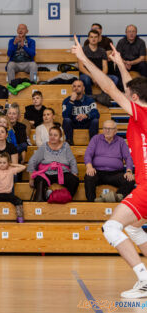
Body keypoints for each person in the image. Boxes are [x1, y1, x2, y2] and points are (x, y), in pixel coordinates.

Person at [72, 33, 147, 299]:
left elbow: (110, 90)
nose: (128, 97)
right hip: (144, 186)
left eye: (131, 96)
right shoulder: (142, 112)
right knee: (135, 227)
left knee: (112, 228)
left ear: (135, 98)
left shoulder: (141, 113)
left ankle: (144, 278)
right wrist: (119, 64)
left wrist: (85, 61)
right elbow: (131, 89)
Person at [84, 120, 135, 202]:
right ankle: (92, 202)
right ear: (103, 129)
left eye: (110, 128)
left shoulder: (121, 141)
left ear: (115, 131)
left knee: (130, 180)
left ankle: (116, 198)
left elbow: (128, 157)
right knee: (89, 177)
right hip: (98, 172)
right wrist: (89, 167)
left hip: (115, 173)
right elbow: (88, 155)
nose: (107, 130)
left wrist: (129, 171)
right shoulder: (96, 139)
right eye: (105, 128)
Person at [27, 127, 79, 201]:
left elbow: (72, 161)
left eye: (55, 135)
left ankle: (65, 198)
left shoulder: (66, 146)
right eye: (51, 135)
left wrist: (74, 173)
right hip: (46, 173)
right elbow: (33, 160)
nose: (52, 137)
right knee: (39, 180)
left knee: (74, 180)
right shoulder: (44, 146)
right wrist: (30, 177)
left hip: (62, 173)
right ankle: (41, 202)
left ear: (60, 137)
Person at [79, 30, 118, 95]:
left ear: (99, 38)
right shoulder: (82, 50)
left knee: (115, 78)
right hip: (87, 75)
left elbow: (105, 68)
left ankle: (103, 97)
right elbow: (81, 67)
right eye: (91, 37)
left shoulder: (102, 51)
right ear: (88, 38)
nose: (93, 39)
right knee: (86, 79)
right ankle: (89, 98)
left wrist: (99, 77)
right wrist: (93, 77)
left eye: (95, 37)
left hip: (99, 76)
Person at [62, 79, 99, 145]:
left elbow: (96, 114)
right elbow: (65, 116)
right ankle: (69, 141)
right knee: (66, 120)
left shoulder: (90, 100)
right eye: (74, 86)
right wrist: (71, 101)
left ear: (83, 88)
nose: (76, 88)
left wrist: (86, 115)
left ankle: (93, 143)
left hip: (86, 123)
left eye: (79, 86)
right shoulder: (67, 100)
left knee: (95, 121)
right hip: (73, 124)